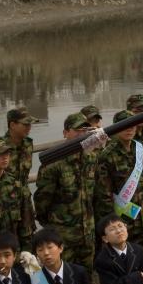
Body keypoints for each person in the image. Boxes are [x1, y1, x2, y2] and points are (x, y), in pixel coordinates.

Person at [34, 114, 99, 275]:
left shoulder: (91, 157)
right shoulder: (54, 162)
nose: (81, 134)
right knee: (63, 276)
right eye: (77, 130)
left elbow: (96, 194)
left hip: (87, 233)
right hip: (63, 235)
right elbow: (42, 200)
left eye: (85, 130)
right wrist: (51, 226)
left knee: (86, 276)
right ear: (65, 133)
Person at [93, 110, 143, 247]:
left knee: (141, 258)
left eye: (132, 125)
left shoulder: (140, 149)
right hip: (121, 222)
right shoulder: (107, 155)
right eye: (125, 125)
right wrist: (112, 223)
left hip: (142, 217)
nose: (130, 129)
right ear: (116, 127)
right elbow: (104, 194)